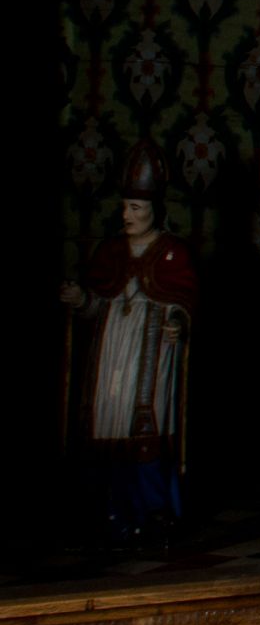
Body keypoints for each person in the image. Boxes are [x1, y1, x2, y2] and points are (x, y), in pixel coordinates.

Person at [62, 151, 195, 541]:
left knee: (146, 428)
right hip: (110, 356)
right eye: (124, 207)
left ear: (154, 209)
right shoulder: (110, 252)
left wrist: (177, 323)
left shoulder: (173, 252)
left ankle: (155, 510)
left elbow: (185, 302)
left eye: (135, 207)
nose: (127, 215)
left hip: (151, 354)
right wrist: (80, 300)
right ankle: (112, 512)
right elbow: (96, 302)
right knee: (107, 425)